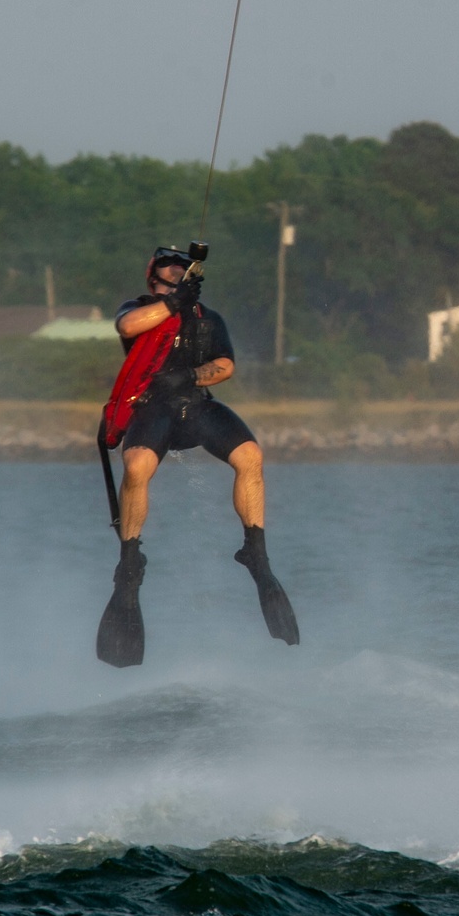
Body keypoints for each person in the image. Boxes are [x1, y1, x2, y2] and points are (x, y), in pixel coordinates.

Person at [103, 245, 299, 648]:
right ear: (153, 276)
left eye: (183, 270)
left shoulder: (208, 319)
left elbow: (225, 365)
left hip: (195, 406)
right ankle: (130, 561)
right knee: (137, 465)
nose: (177, 272)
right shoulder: (138, 308)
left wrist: (190, 376)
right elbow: (129, 327)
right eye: (169, 269)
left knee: (250, 456)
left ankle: (255, 552)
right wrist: (173, 303)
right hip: (151, 409)